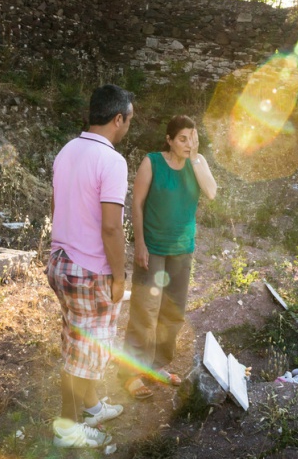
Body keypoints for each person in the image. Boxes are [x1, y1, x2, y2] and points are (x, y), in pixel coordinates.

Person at [47, 84, 134, 449]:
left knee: (75, 338)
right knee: (84, 353)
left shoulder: (67, 150)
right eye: (129, 119)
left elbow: (56, 207)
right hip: (89, 269)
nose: (129, 126)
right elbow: (111, 227)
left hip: (60, 262)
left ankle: (92, 404)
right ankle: (67, 428)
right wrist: (119, 275)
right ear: (118, 119)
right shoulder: (112, 160)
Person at [120, 115, 217, 399]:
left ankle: (155, 365)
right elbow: (136, 204)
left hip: (182, 249)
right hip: (153, 247)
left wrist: (197, 158)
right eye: (183, 139)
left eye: (193, 137)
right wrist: (139, 243)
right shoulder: (152, 162)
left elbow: (211, 193)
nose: (189, 144)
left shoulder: (197, 163)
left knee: (172, 312)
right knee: (145, 310)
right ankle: (131, 374)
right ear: (169, 139)